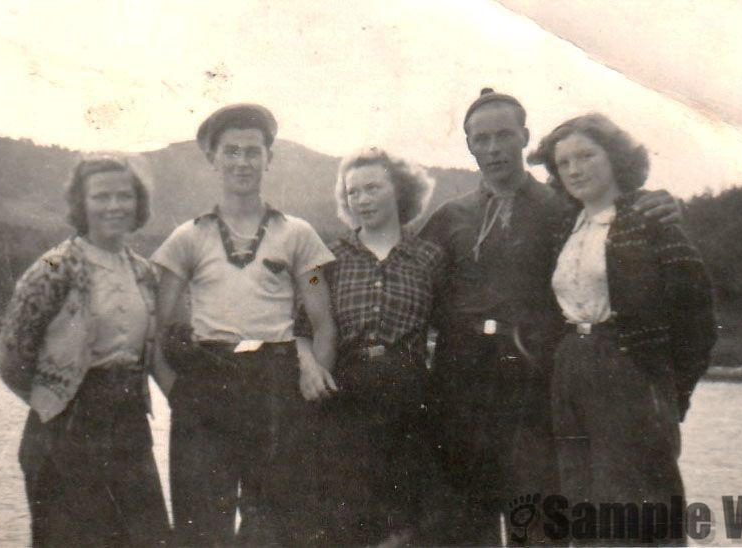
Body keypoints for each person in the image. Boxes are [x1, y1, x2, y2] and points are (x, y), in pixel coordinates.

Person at [418, 88, 682, 545]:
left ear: (524, 137)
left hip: (536, 390)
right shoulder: (448, 217)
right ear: (469, 146)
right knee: (460, 528)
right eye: (481, 139)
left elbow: (613, 218)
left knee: (540, 524)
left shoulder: (565, 208)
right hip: (461, 389)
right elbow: (413, 287)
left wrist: (652, 202)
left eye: (504, 135)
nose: (494, 148)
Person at [150, 103, 338, 546]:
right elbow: (157, 330)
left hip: (276, 387)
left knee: (274, 526)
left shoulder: (300, 237)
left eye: (252, 151)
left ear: (269, 158)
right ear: (213, 159)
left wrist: (310, 394)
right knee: (200, 526)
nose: (242, 161)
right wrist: (178, 394)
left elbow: (323, 321)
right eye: (230, 152)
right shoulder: (186, 238)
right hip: (205, 384)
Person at [528, 113, 716, 545]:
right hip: (571, 368)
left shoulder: (651, 220)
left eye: (585, 156)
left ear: (614, 157)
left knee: (637, 504)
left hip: (629, 370)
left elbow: (697, 320)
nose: (574, 170)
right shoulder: (566, 227)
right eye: (563, 163)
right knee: (581, 499)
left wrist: (669, 392)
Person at [0, 155, 169, 546]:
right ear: (81, 204)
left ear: (137, 203)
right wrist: (54, 401)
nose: (113, 206)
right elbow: (10, 360)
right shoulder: (53, 267)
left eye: (123, 196)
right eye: (101, 196)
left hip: (128, 428)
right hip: (64, 428)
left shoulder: (144, 272)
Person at [296, 147, 445, 545]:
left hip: (409, 394)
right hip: (348, 394)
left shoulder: (431, 257)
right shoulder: (320, 261)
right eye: (353, 192)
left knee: (403, 523)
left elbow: (447, 327)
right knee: (347, 516)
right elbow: (299, 327)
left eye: (373, 188)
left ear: (400, 190)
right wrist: (310, 367)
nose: (362, 200)